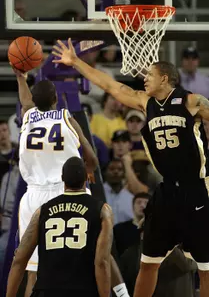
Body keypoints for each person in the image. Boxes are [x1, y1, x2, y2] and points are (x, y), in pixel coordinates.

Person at [52, 38, 209, 297]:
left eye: (150, 74)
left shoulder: (191, 101)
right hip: (166, 191)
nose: (144, 78)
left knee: (205, 268)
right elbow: (110, 85)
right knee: (147, 263)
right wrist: (76, 62)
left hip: (196, 190)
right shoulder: (144, 102)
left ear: (166, 79)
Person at [12, 68, 98, 297]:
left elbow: (25, 102)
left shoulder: (28, 116)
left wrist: (20, 77)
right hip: (66, 193)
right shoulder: (66, 117)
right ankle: (119, 292)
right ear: (56, 99)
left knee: (33, 270)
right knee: (85, 258)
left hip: (34, 197)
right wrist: (90, 170)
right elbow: (91, 157)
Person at [6, 157, 113, 297]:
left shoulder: (42, 211)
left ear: (62, 178)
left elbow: (19, 259)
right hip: (84, 290)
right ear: (87, 177)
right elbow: (102, 262)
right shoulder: (102, 210)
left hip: (46, 291)